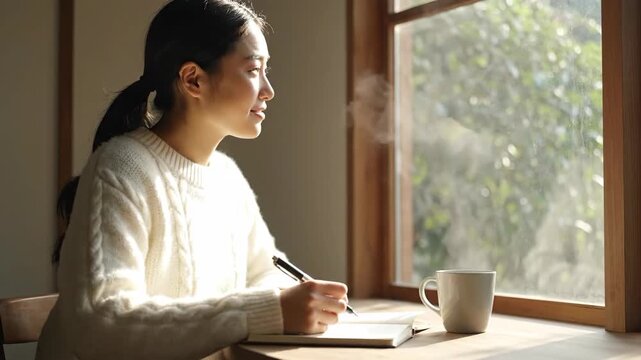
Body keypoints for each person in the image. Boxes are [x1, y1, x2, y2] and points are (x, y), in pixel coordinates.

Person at [36, 1, 349, 359]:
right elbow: (102, 323)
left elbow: (264, 276)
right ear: (193, 80)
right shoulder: (121, 167)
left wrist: (303, 304)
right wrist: (268, 310)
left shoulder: (228, 178)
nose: (268, 90)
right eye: (253, 70)